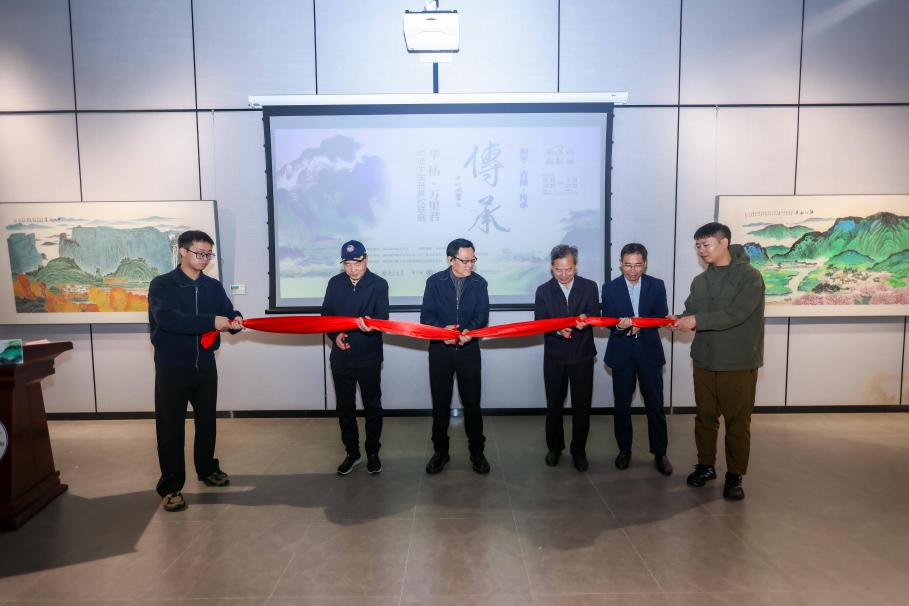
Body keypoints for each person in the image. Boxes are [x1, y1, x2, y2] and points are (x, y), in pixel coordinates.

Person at [148, 230, 243, 512]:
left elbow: (227, 311)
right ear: (182, 251)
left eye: (208, 255)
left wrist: (235, 320)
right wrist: (212, 321)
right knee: (170, 428)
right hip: (172, 367)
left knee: (207, 422)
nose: (204, 259)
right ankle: (171, 486)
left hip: (205, 365)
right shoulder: (162, 285)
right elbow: (169, 320)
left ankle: (207, 468)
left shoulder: (212, 286)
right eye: (199, 253)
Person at [672, 222, 765, 500]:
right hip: (704, 359)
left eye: (706, 244)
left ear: (724, 243)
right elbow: (691, 311)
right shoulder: (700, 281)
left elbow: (737, 313)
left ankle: (735, 475)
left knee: (737, 423)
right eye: (698, 246)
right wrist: (677, 319)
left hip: (737, 363)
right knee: (705, 418)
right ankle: (706, 466)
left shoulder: (750, 277)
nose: (701, 250)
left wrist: (696, 320)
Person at [420, 238, 490, 475]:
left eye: (473, 260)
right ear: (451, 259)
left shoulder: (480, 283)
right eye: (465, 260)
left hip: (469, 352)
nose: (470, 265)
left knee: (472, 405)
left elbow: (482, 316)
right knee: (440, 405)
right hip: (440, 352)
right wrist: (443, 332)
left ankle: (477, 452)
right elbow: (426, 317)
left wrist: (469, 331)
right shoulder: (434, 282)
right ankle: (440, 452)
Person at [602, 243, 672, 475]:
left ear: (645, 264)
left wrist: (640, 324)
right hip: (621, 353)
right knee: (622, 406)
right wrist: (620, 327)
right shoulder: (610, 288)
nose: (632, 270)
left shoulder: (656, 285)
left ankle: (660, 453)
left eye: (638, 265)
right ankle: (624, 450)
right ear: (620, 264)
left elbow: (660, 317)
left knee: (655, 405)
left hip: (649, 353)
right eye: (628, 265)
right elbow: (609, 321)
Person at [321, 240, 390, 476]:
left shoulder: (379, 284)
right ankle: (352, 453)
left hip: (368, 355)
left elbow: (383, 318)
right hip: (341, 356)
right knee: (345, 408)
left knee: (372, 406)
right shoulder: (335, 283)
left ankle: (373, 453)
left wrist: (372, 326)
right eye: (348, 264)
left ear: (366, 260)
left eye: (357, 263)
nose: (352, 269)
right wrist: (335, 336)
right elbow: (326, 315)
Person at [534, 244, 599, 471]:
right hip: (555, 356)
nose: (563, 275)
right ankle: (555, 447)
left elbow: (595, 314)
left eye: (568, 269)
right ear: (551, 267)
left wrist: (586, 319)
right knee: (554, 404)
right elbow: (540, 322)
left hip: (582, 355)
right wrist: (557, 329)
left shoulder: (589, 287)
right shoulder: (543, 291)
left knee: (582, 406)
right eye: (558, 270)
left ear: (576, 266)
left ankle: (578, 451)